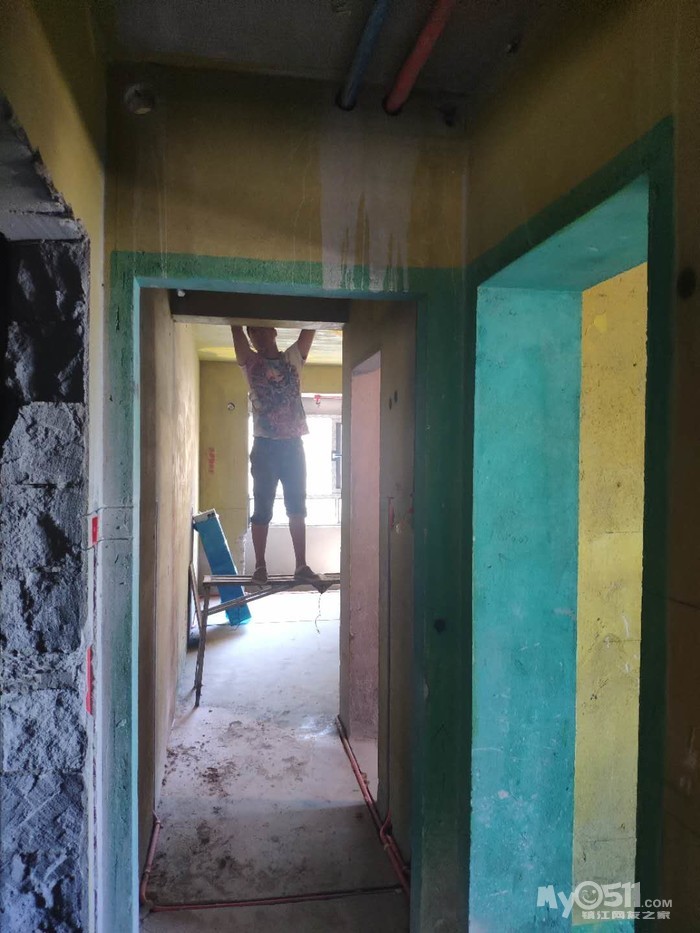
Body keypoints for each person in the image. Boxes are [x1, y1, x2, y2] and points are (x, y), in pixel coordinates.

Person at [231, 324, 321, 585]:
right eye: (252, 333)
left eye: (262, 331)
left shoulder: (291, 359)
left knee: (297, 506)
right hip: (265, 447)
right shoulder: (251, 363)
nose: (257, 336)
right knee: (262, 508)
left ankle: (301, 565)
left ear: (274, 332)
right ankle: (260, 567)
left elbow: (310, 329)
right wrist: (236, 323)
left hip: (293, 445)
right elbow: (236, 331)